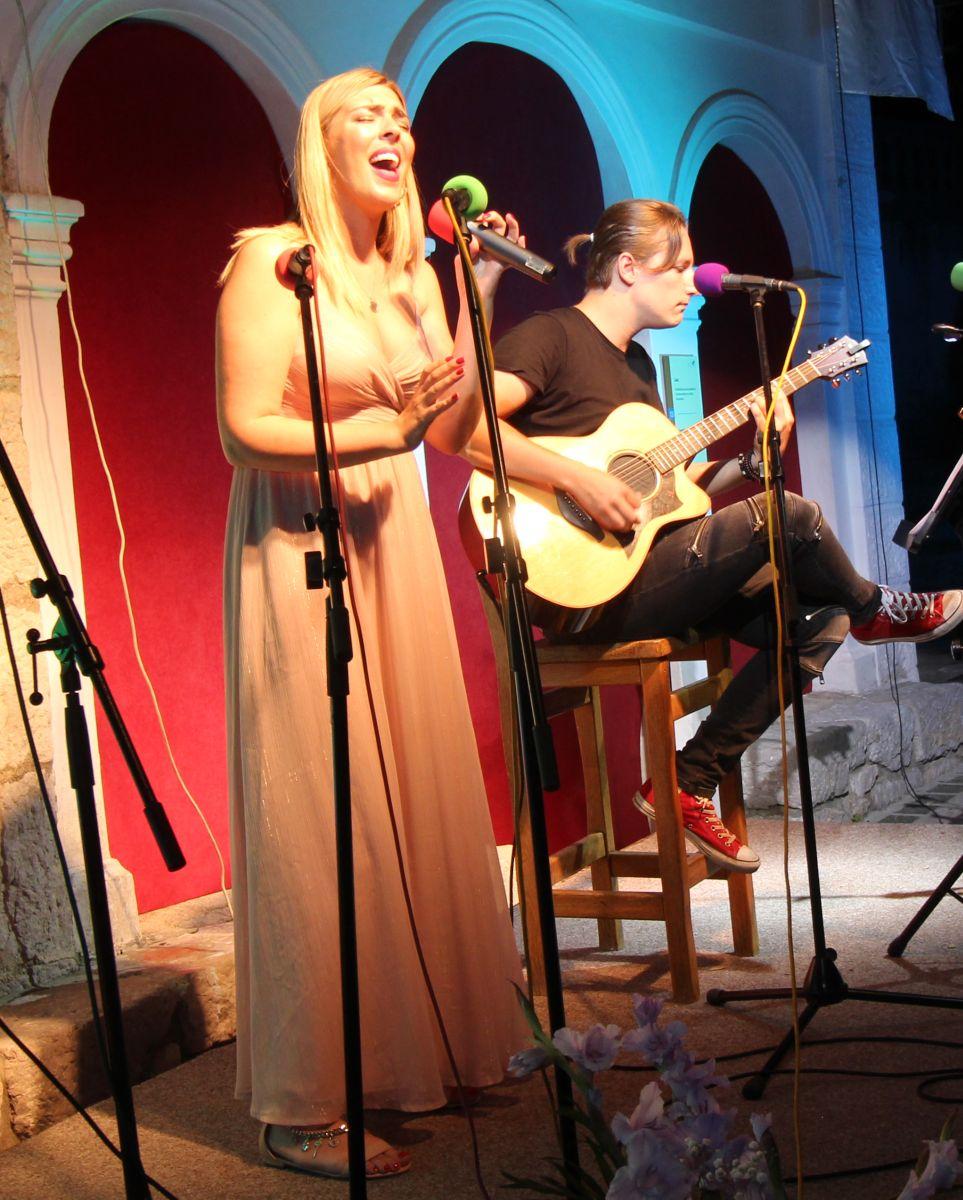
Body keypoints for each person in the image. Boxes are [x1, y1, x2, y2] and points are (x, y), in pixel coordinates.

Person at [217, 68, 525, 1181]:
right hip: (302, 541)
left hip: (395, 542)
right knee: (323, 803)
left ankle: (419, 1050)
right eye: (370, 116)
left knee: (415, 789)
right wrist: (371, 440)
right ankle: (302, 1103)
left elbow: (445, 422)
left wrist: (477, 284)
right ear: (323, 140)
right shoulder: (272, 260)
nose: (395, 131)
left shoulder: (411, 276)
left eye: (403, 119)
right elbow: (243, 425)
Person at [467, 198, 963, 875]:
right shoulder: (549, 337)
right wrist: (579, 481)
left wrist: (754, 457)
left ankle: (686, 778)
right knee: (789, 514)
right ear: (627, 268)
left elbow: (675, 486)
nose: (690, 284)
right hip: (579, 589)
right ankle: (878, 607)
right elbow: (469, 428)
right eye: (678, 268)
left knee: (819, 620)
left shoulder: (637, 367)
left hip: (646, 570)